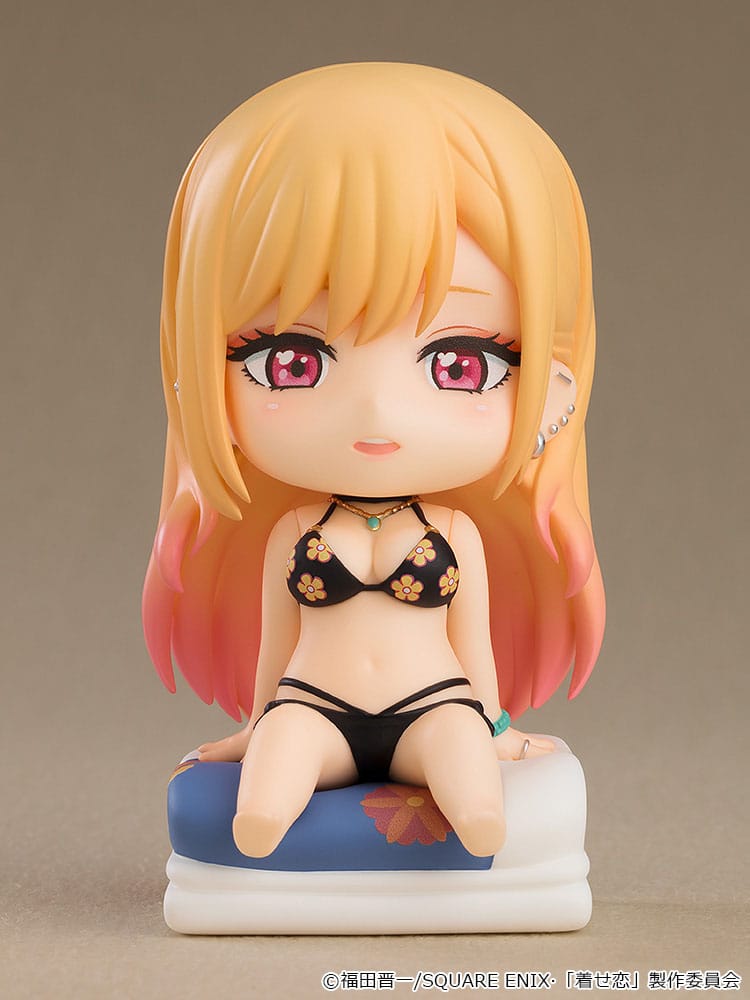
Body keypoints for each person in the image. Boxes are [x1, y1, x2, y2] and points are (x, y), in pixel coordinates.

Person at [143, 63, 605, 860]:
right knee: (265, 796)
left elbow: (475, 647)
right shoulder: (293, 531)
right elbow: (274, 649)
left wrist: (497, 729)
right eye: (291, 360)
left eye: (461, 363)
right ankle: (260, 854)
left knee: (475, 795)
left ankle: (484, 856)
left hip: (436, 704)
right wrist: (255, 726)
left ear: (553, 388)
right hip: (310, 705)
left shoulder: (454, 535)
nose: (377, 412)